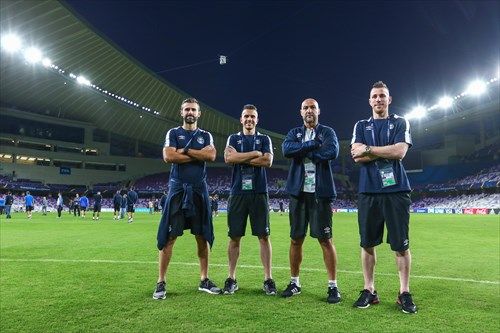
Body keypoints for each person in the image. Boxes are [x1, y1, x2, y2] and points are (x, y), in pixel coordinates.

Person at [350, 81, 417, 314]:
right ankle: (369, 290)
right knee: (367, 243)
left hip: (396, 191)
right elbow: (356, 157)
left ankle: (404, 292)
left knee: (401, 245)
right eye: (374, 96)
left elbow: (400, 152)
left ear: (389, 100)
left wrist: (368, 150)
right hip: (368, 192)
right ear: (370, 101)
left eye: (382, 96)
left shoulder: (400, 122)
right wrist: (381, 150)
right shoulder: (360, 125)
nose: (378, 99)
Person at [153, 97, 221, 300]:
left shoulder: (206, 135)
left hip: (200, 191)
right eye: (187, 109)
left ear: (199, 113)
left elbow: (211, 156)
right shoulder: (173, 133)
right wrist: (198, 154)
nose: (190, 112)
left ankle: (204, 279)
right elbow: (169, 157)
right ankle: (161, 281)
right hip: (178, 190)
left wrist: (185, 151)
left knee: (202, 236)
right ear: (181, 112)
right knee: (169, 237)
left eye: (193, 110)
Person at [281, 98, 341, 304]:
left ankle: (333, 286)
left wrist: (305, 150)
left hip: (320, 193)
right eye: (305, 107)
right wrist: (313, 145)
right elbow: (287, 150)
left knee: (325, 240)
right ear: (300, 112)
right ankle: (295, 282)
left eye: (312, 107)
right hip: (299, 194)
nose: (309, 110)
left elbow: (332, 151)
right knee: (296, 239)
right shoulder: (293, 133)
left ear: (319, 111)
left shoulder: (328, 132)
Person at [222, 104, 276, 295]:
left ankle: (268, 279)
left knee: (263, 236)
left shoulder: (264, 138)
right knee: (234, 236)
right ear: (241, 118)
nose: (249, 119)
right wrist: (254, 154)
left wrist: (240, 157)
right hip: (237, 193)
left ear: (257, 119)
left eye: (252, 116)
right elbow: (228, 158)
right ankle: (231, 278)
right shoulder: (233, 138)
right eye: (246, 116)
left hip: (259, 193)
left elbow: (267, 161)